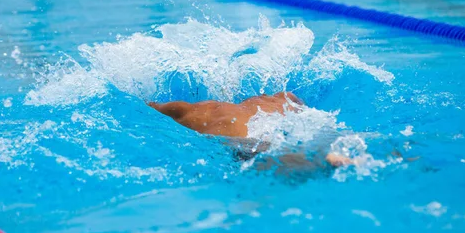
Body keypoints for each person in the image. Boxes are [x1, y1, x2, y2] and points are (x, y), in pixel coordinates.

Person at [149, 92, 351, 169]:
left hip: (244, 141)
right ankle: (324, 156)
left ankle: (319, 158)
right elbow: (308, 114)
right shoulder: (283, 98)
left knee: (261, 149)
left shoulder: (202, 111)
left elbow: (150, 107)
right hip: (288, 129)